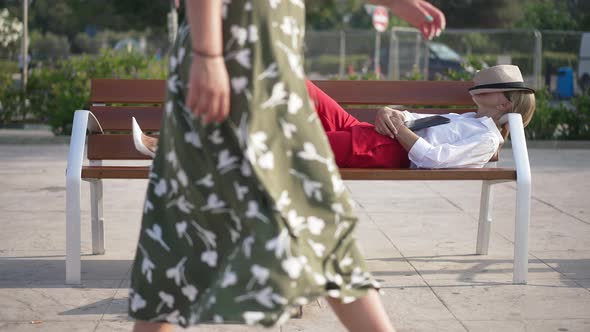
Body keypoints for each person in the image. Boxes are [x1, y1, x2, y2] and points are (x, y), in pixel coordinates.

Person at [129, 1, 445, 332]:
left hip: (260, 54)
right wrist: (208, 53)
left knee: (189, 222)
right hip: (236, 52)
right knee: (198, 221)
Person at [133, 65, 536, 170]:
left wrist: (400, 132)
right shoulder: (465, 117)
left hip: (385, 150)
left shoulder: (487, 138)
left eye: (492, 86)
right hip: (369, 131)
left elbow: (431, 158)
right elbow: (413, 118)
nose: (481, 87)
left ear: (506, 103)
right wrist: (390, 112)